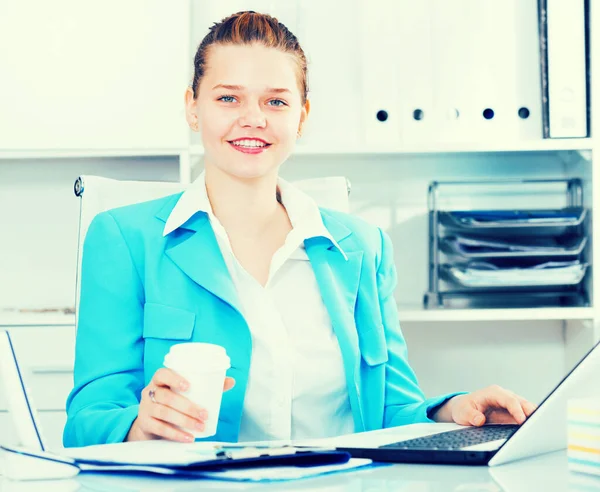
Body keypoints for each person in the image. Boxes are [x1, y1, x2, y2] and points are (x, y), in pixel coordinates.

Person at [63, 11, 535, 447]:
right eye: (228, 98)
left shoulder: (363, 248)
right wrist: (138, 426)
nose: (253, 118)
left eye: (276, 101)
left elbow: (390, 410)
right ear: (193, 108)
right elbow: (87, 421)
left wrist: (456, 412)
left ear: (302, 116)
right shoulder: (124, 239)